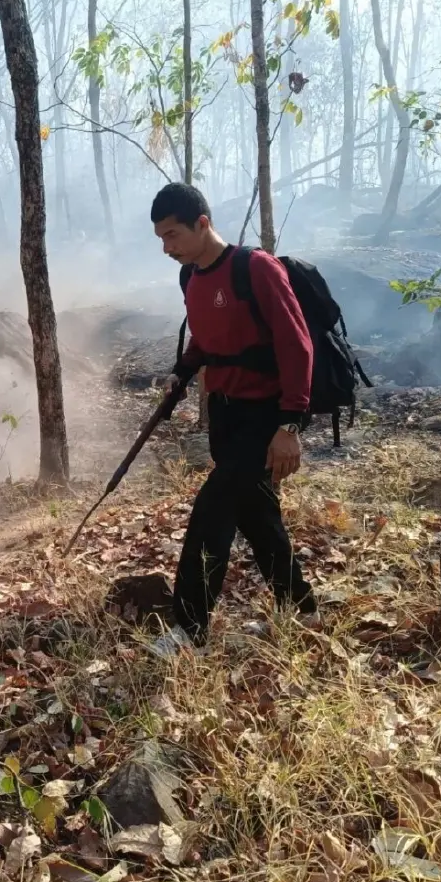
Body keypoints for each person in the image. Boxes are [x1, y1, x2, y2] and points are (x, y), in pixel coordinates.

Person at [149, 183, 318, 658]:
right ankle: (302, 608)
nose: (167, 248)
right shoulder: (191, 277)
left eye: (173, 235)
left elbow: (297, 344)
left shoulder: (255, 268)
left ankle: (190, 631)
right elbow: (206, 339)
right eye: (161, 238)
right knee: (256, 514)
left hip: (265, 414)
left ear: (202, 223)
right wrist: (183, 370)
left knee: (213, 510)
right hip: (224, 412)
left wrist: (290, 426)